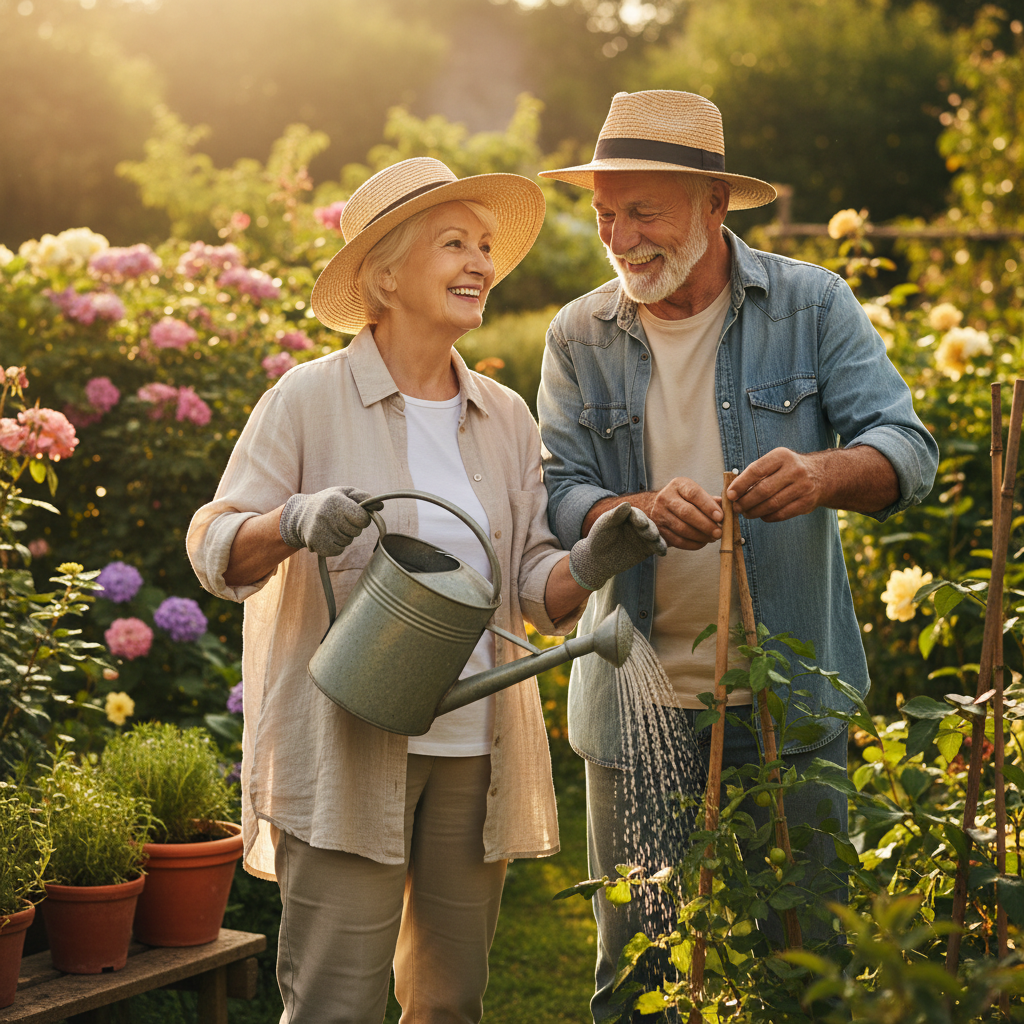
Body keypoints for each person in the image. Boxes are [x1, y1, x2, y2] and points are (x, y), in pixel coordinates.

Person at [187, 156, 665, 1024]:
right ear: (385, 272)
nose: (481, 262)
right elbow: (214, 544)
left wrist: (594, 559)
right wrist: (291, 521)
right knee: (336, 1001)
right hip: (344, 745)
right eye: (454, 244)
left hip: (470, 751)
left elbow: (527, 584)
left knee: (451, 1001)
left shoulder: (504, 414)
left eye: (485, 245)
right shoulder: (309, 400)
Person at [536, 90, 939, 1020]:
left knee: (808, 968)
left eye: (645, 211)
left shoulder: (810, 304)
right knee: (639, 980)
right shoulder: (578, 334)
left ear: (715, 206)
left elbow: (906, 450)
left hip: (787, 696)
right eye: (605, 214)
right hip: (636, 701)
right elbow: (559, 493)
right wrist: (634, 510)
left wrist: (825, 474)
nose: (621, 236)